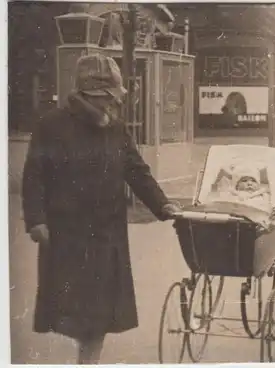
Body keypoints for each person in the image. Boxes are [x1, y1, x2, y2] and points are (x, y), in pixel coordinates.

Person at [22, 54, 181, 364]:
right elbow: (34, 176)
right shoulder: (51, 126)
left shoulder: (116, 129)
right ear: (92, 95)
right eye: (109, 98)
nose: (113, 105)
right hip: (66, 237)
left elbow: (137, 171)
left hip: (106, 238)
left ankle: (88, 361)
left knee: (95, 321)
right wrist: (36, 220)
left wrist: (163, 204)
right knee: (75, 315)